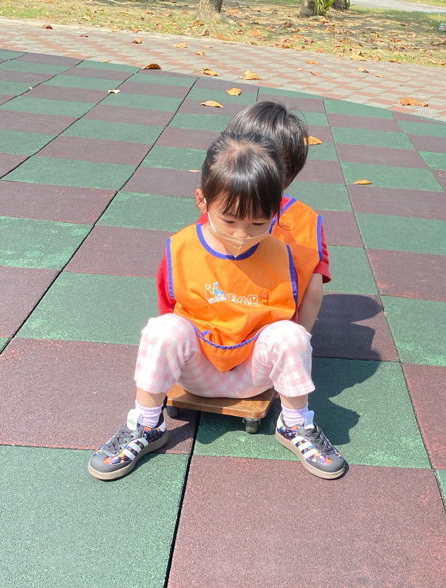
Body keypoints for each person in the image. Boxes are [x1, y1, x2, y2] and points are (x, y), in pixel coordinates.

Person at [88, 132, 347, 482]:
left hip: (253, 377)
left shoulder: (281, 254)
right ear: (202, 201)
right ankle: (146, 423)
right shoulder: (181, 247)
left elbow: (287, 320)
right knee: (163, 329)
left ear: (275, 212)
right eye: (230, 220)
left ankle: (295, 424)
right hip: (197, 372)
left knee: (291, 335)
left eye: (258, 223)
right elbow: (169, 310)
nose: (242, 234)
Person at [190, 101, 329, 332]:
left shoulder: (221, 207)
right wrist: (300, 334)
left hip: (217, 329)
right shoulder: (309, 220)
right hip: (275, 332)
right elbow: (314, 291)